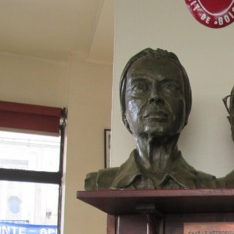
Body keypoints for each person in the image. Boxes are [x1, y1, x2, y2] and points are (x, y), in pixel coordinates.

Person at [85, 48, 216, 190]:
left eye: (170, 87)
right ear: (124, 112)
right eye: (140, 87)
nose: (155, 96)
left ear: (186, 109)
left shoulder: (209, 185)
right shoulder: (99, 183)